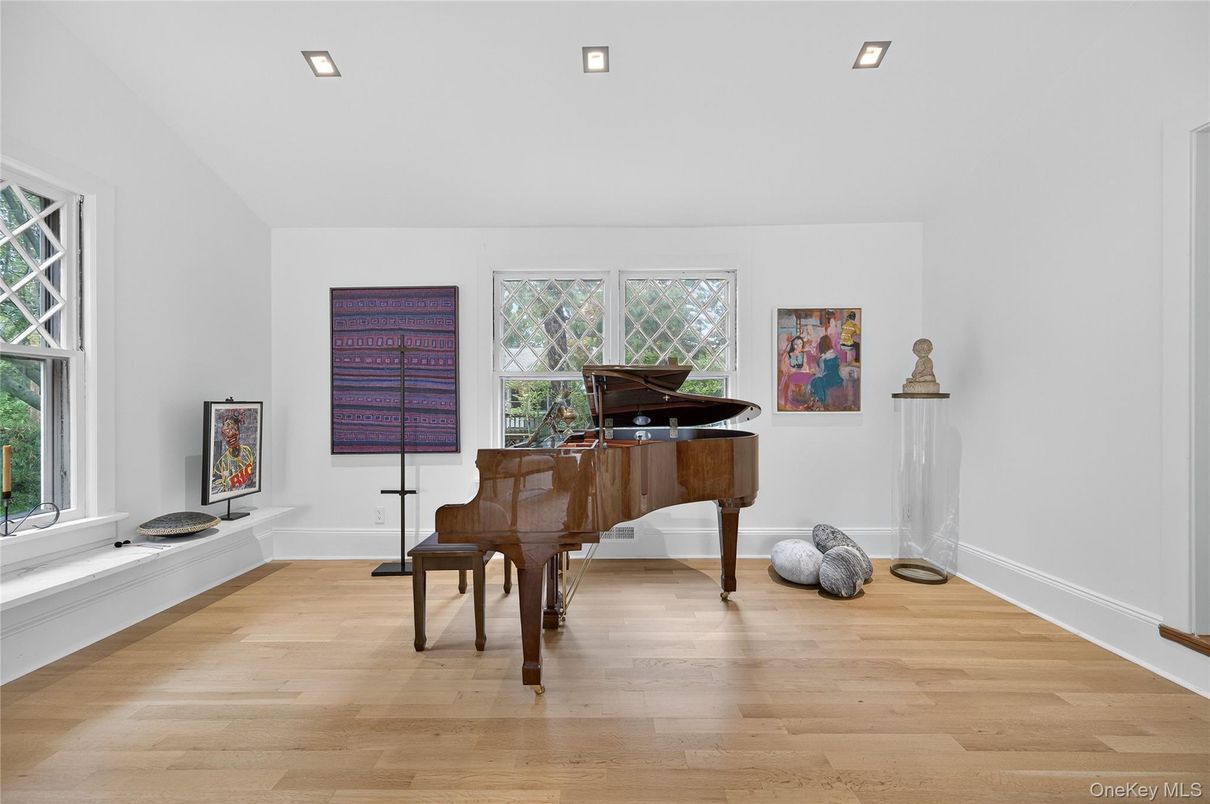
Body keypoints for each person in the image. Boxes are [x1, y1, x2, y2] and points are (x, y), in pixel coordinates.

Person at [211, 411, 256, 493]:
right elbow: (215, 490)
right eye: (227, 436)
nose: (231, 439)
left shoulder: (248, 452)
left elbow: (256, 476)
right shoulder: (220, 465)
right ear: (224, 437)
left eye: (234, 436)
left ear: (239, 433)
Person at [809, 334, 844, 406]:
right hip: (837, 379)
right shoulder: (836, 355)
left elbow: (821, 373)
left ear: (821, 346)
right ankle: (816, 400)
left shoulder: (823, 359)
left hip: (828, 380)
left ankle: (820, 401)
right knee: (816, 380)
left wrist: (814, 373)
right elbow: (837, 368)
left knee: (815, 381)